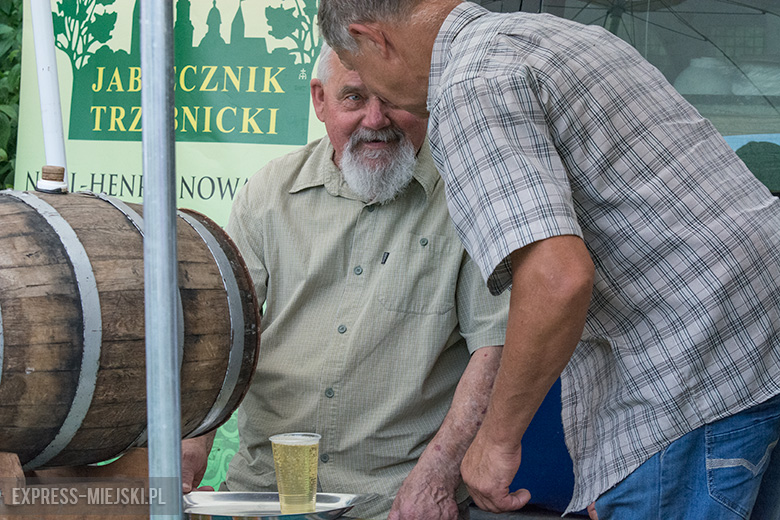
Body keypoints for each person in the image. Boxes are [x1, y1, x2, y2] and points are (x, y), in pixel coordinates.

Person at [316, 1, 780, 518]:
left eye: (359, 68)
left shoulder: (469, 86)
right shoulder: (561, 38)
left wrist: (495, 442)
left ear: (373, 38)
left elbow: (557, 278)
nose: (376, 99)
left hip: (689, 384)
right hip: (760, 360)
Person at [180, 43, 509, 520]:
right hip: (264, 494)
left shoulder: (467, 198)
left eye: (394, 97)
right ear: (319, 100)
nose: (376, 120)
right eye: (354, 98)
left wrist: (437, 475)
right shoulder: (267, 194)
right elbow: (224, 334)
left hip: (397, 501)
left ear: (426, 97)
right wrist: (192, 444)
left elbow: (493, 348)